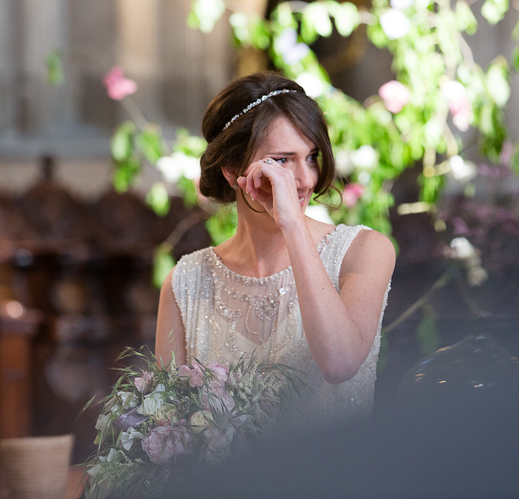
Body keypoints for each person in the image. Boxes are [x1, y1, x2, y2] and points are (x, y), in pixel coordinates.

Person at [155, 72, 395, 422]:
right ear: (232, 169)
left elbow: (340, 363)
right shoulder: (184, 283)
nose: (306, 180)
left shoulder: (364, 251)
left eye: (311, 157)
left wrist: (293, 224)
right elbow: (167, 427)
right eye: (282, 160)